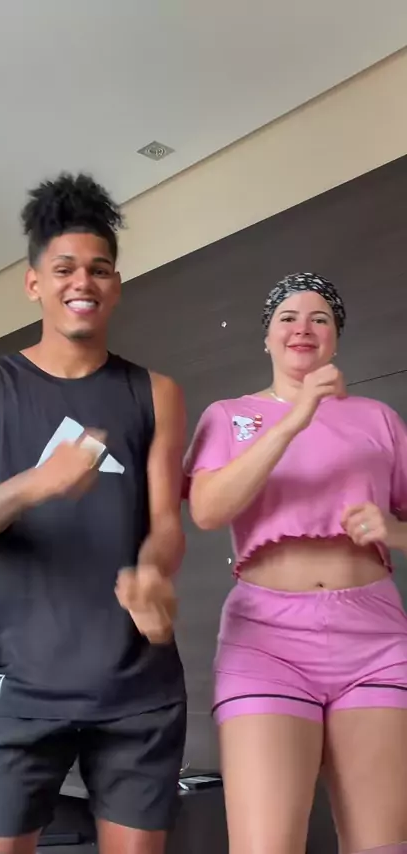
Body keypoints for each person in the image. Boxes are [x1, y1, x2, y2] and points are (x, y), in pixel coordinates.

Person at [0, 173, 187, 854]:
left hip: (136, 687)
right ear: (34, 283)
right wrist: (37, 483)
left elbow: (166, 524)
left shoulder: (156, 392)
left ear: (116, 284)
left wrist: (153, 571)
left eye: (100, 269)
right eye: (65, 268)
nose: (84, 282)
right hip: (15, 689)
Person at [184, 272, 407, 854]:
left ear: (335, 337)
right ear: (267, 337)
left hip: (375, 640)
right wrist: (296, 415)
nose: (302, 328)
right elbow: (207, 509)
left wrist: (393, 530)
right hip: (266, 641)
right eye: (287, 317)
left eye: (319, 319)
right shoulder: (228, 415)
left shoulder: (379, 419)